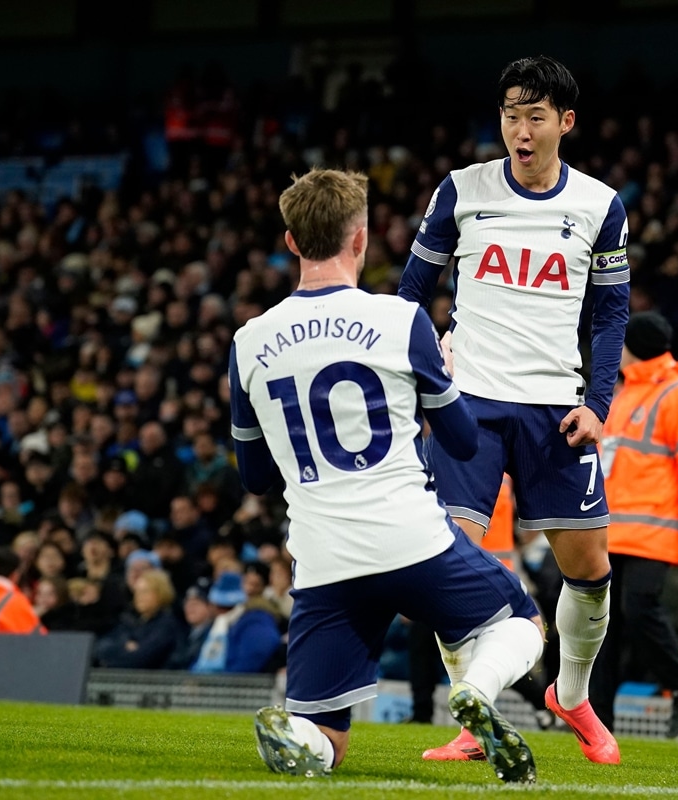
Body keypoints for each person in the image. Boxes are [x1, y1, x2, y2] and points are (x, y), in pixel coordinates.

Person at [230, 168, 544, 782]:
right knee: (521, 624)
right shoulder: (401, 322)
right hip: (412, 540)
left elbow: (255, 478)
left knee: (329, 739)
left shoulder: (249, 342)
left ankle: (301, 737)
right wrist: (445, 381)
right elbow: (459, 440)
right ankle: (476, 689)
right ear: (361, 239)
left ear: (291, 242)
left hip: (323, 558)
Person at [399, 54, 628, 766]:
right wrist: (412, 367)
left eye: (534, 116)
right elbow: (412, 290)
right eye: (509, 115)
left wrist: (598, 403)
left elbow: (611, 314)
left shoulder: (600, 204)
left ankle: (571, 694)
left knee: (589, 569)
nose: (519, 130)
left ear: (565, 122)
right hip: (467, 403)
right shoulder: (461, 191)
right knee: (450, 559)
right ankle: (475, 712)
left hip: (554, 409)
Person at [588, 311, 678, 738]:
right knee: (602, 628)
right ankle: (597, 723)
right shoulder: (625, 393)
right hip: (611, 530)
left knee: (639, 609)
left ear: (632, 348)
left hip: (655, 531)